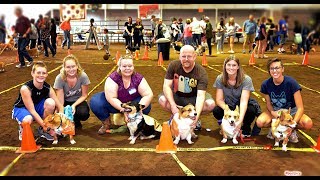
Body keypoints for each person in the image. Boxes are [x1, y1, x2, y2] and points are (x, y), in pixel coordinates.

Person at [90, 55, 154, 135]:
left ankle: (134, 123)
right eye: (124, 66)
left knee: (146, 105)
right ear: (119, 66)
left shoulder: (138, 78)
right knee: (95, 101)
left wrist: (139, 108)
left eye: (130, 66)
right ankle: (106, 123)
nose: (127, 68)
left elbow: (148, 94)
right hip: (114, 105)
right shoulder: (112, 79)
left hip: (132, 106)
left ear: (133, 66)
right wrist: (124, 110)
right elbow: (112, 98)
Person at [158, 45, 215, 131]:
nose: (186, 59)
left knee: (210, 104)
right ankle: (176, 116)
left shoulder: (201, 72)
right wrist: (173, 106)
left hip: (193, 98)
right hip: (177, 96)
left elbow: (200, 96)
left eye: (189, 56)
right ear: (179, 56)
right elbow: (166, 86)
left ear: (195, 56)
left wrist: (196, 116)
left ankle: (194, 119)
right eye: (183, 56)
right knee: (162, 100)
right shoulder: (173, 65)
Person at [256, 58, 313, 142]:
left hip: (291, 112)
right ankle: (275, 128)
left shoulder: (292, 83)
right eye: (272, 68)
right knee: (260, 122)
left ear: (282, 69)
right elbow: (268, 104)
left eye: (277, 68)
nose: (275, 71)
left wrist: (292, 125)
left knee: (308, 123)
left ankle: (292, 131)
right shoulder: (265, 84)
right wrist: (273, 113)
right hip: (276, 111)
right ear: (269, 70)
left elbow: (300, 108)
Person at [12, 61, 64, 141]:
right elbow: (32, 110)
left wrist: (60, 120)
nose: (41, 75)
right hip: (23, 108)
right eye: (38, 72)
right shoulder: (26, 89)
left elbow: (60, 106)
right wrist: (48, 128)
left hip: (36, 106)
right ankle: (22, 127)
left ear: (47, 74)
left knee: (51, 103)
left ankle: (43, 130)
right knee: (28, 119)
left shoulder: (48, 88)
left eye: (43, 73)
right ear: (32, 73)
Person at [212, 55, 262, 137]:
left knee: (250, 110)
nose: (231, 67)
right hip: (229, 105)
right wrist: (226, 109)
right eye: (228, 65)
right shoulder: (220, 78)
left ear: (238, 67)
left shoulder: (246, 79)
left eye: (234, 65)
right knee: (217, 110)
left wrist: (240, 120)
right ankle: (226, 127)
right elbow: (219, 100)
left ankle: (245, 127)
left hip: (242, 104)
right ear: (225, 66)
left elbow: (243, 102)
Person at [53, 54, 90, 128]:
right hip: (65, 101)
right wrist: (60, 112)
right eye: (68, 67)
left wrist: (73, 106)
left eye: (73, 66)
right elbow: (60, 100)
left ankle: (76, 120)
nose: (71, 69)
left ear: (77, 66)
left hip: (78, 101)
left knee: (83, 113)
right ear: (64, 68)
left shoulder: (83, 76)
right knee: (59, 114)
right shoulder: (59, 78)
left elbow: (84, 95)